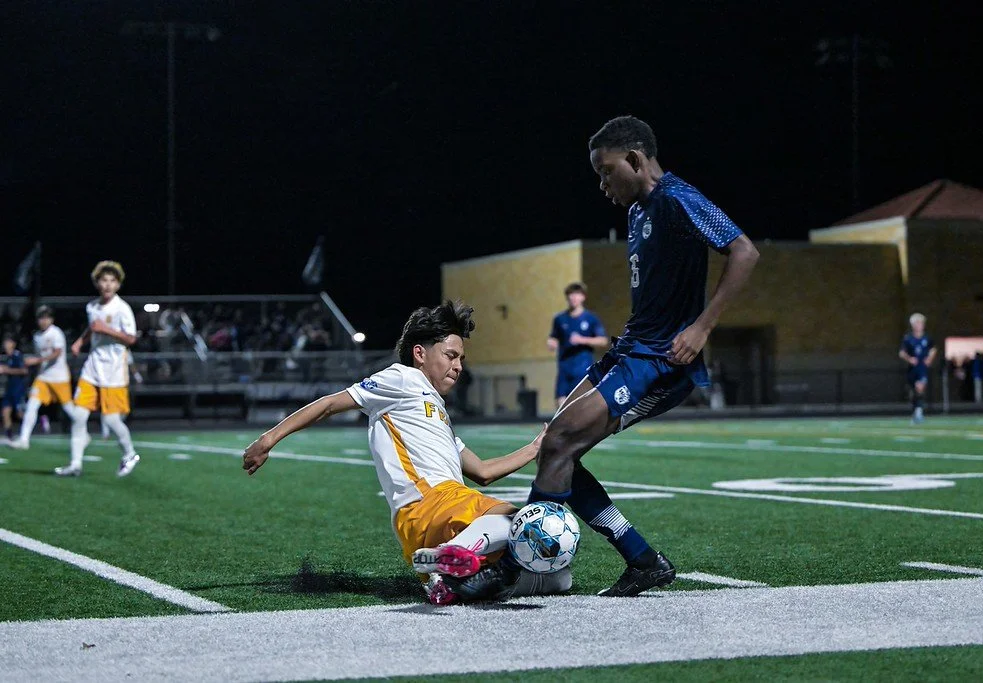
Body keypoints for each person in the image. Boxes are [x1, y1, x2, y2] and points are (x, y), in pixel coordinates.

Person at [454, 115, 760, 601]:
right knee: (556, 446)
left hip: (660, 362)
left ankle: (510, 569)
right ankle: (642, 559)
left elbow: (744, 251)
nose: (602, 184)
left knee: (559, 443)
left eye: (606, 170)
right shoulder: (639, 212)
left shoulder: (678, 198)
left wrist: (702, 328)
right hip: (628, 351)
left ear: (635, 159)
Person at [241, 301, 572, 605]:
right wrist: (269, 438)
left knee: (558, 577)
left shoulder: (436, 410)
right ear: (420, 353)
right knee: (524, 521)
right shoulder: (403, 379)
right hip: (434, 501)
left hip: (436, 521)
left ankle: (450, 581)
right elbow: (329, 404)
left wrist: (534, 448)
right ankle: (453, 554)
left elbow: (483, 472)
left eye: (461, 359)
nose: (458, 366)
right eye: (451, 355)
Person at [55, 261, 141, 477]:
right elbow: (93, 327)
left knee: (111, 420)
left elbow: (131, 338)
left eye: (112, 281)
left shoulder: (122, 309)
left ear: (118, 285)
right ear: (97, 283)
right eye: (104, 280)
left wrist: (106, 329)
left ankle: (129, 454)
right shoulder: (92, 306)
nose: (108, 284)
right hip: (92, 368)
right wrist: (80, 341)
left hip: (114, 370)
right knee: (78, 417)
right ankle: (75, 464)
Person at [7, 306, 75, 449]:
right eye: (41, 318)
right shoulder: (37, 336)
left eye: (47, 318)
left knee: (69, 409)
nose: (44, 321)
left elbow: (57, 353)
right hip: (43, 377)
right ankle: (24, 439)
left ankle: (83, 431)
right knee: (32, 405)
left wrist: (36, 361)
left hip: (59, 377)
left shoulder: (56, 333)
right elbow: (41, 356)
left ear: (52, 319)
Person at [547, 282, 608, 408]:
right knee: (560, 402)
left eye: (576, 295)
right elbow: (554, 337)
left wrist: (583, 340)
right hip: (564, 368)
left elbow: (603, 341)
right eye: (570, 295)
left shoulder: (591, 318)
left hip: (582, 369)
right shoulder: (560, 319)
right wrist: (552, 342)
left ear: (583, 297)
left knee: (580, 406)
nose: (573, 298)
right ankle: (564, 426)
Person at [898, 313, 936, 423]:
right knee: (912, 392)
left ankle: (919, 412)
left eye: (922, 323)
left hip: (922, 368)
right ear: (913, 325)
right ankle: (915, 411)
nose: (920, 325)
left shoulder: (927, 338)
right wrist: (910, 359)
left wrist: (929, 358)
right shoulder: (908, 338)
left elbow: (933, 349)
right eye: (918, 323)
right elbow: (901, 353)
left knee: (920, 387)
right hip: (912, 369)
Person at [1, 334, 29, 441]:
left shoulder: (17, 355)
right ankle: (9, 436)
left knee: (20, 413)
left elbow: (24, 371)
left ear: (13, 344)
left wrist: (6, 370)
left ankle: (40, 420)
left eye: (8, 342)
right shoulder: (8, 357)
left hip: (18, 388)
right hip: (9, 388)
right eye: (5, 343)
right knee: (5, 412)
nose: (6, 345)